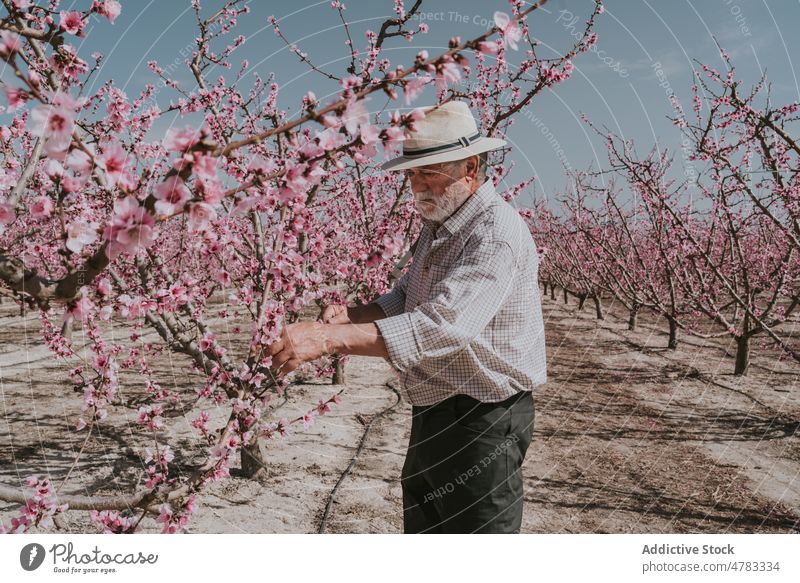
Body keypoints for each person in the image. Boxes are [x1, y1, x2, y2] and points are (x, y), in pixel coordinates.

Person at [265, 100, 547, 533]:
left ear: (470, 169)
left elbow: (441, 326)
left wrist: (325, 340)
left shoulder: (493, 234)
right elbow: (407, 297)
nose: (416, 185)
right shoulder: (442, 223)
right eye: (412, 174)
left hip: (483, 417)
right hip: (435, 407)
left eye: (429, 172)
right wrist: (349, 317)